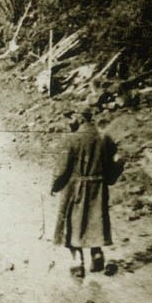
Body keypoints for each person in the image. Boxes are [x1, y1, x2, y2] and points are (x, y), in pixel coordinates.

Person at [51, 105, 123, 277]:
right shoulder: (104, 137)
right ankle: (97, 255)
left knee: (72, 223)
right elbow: (115, 161)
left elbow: (62, 168)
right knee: (94, 220)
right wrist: (110, 177)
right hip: (98, 187)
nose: (68, 121)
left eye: (70, 117)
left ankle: (77, 264)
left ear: (80, 117)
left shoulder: (72, 139)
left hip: (75, 188)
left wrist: (55, 185)